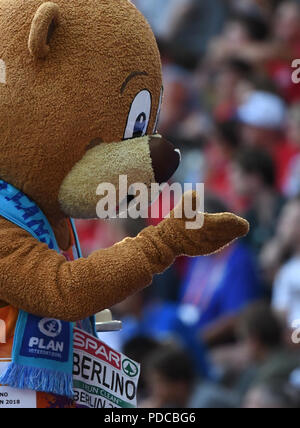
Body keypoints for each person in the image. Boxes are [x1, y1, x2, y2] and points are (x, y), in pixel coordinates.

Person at [179, 196, 262, 347]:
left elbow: (235, 317)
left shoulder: (238, 260)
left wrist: (193, 341)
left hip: (220, 345)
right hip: (189, 338)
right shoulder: (197, 258)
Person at [231, 147, 285, 253]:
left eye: (236, 172)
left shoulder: (288, 209)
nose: (231, 178)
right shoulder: (248, 219)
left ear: (255, 178)